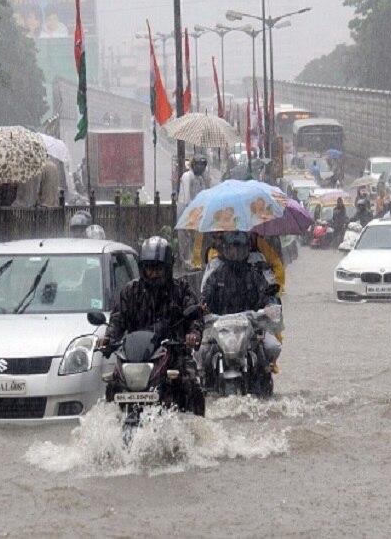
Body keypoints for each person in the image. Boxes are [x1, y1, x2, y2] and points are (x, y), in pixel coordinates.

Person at [99, 236, 203, 387]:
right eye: (149, 268)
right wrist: (108, 338)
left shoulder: (181, 290)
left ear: (167, 268)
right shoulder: (131, 291)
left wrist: (193, 334)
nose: (153, 274)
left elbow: (195, 316)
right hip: (135, 358)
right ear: (143, 268)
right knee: (113, 384)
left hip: (174, 353)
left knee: (190, 381)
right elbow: (118, 319)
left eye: (158, 269)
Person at [199, 231, 282, 377]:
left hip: (251, 324)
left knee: (272, 346)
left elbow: (267, 294)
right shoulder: (216, 273)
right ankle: (206, 380)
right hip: (219, 326)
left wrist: (270, 306)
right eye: (232, 248)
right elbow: (205, 296)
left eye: (240, 248)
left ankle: (264, 376)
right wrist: (202, 307)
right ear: (224, 248)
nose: (236, 253)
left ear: (247, 249)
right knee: (201, 352)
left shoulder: (255, 273)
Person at [177, 155, 210, 269]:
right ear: (193, 165)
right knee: (184, 235)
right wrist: (189, 210)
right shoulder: (187, 176)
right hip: (185, 207)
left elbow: (203, 194)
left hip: (195, 208)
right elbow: (186, 195)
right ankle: (185, 261)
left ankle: (194, 261)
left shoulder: (200, 179)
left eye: (203, 165)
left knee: (194, 237)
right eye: (198, 165)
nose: (201, 168)